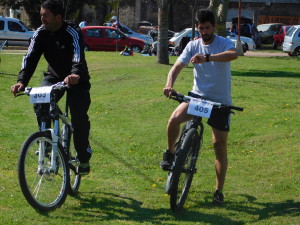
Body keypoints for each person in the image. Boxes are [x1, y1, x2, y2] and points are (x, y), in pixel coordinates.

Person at [160, 9, 238, 205]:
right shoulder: (192, 45)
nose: (204, 31)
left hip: (220, 101)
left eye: (207, 28)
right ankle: (170, 153)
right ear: (197, 28)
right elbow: (176, 66)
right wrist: (169, 84)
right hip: (198, 98)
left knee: (218, 145)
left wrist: (208, 58)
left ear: (214, 27)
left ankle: (218, 191)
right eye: (201, 28)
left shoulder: (222, 42)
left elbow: (233, 54)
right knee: (174, 119)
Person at [10, 0, 92, 176]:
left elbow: (78, 55)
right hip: (54, 77)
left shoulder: (73, 32)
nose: (42, 19)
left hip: (77, 79)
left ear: (58, 17)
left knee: (78, 119)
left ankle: (84, 157)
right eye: (41, 15)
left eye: (45, 15)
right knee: (41, 103)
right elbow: (30, 57)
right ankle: (46, 144)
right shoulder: (41, 33)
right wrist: (21, 81)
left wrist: (75, 74)